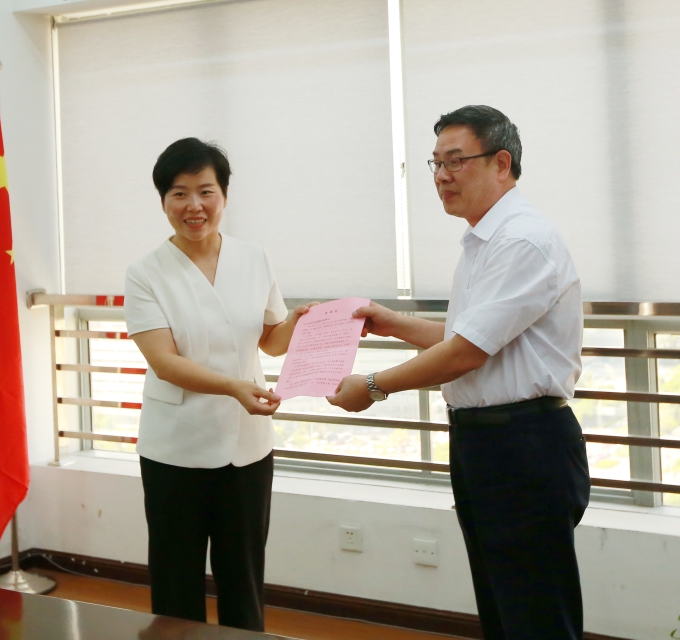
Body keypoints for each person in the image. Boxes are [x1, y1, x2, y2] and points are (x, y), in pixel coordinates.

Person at [328, 105, 591, 640]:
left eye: (455, 161)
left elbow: (467, 352)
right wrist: (394, 324)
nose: (441, 176)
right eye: (436, 163)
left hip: (524, 444)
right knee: (503, 611)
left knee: (535, 618)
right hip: (487, 444)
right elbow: (470, 337)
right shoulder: (484, 240)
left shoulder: (521, 239)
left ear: (501, 163)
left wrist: (373, 386)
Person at [124, 137, 310, 631]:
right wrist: (234, 387)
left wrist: (298, 322)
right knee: (175, 584)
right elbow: (165, 362)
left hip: (247, 449)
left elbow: (271, 340)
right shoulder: (145, 274)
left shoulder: (254, 258)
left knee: (243, 580)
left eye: (206, 191)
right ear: (163, 201)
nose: (194, 206)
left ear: (224, 196)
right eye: (179, 193)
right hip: (175, 450)